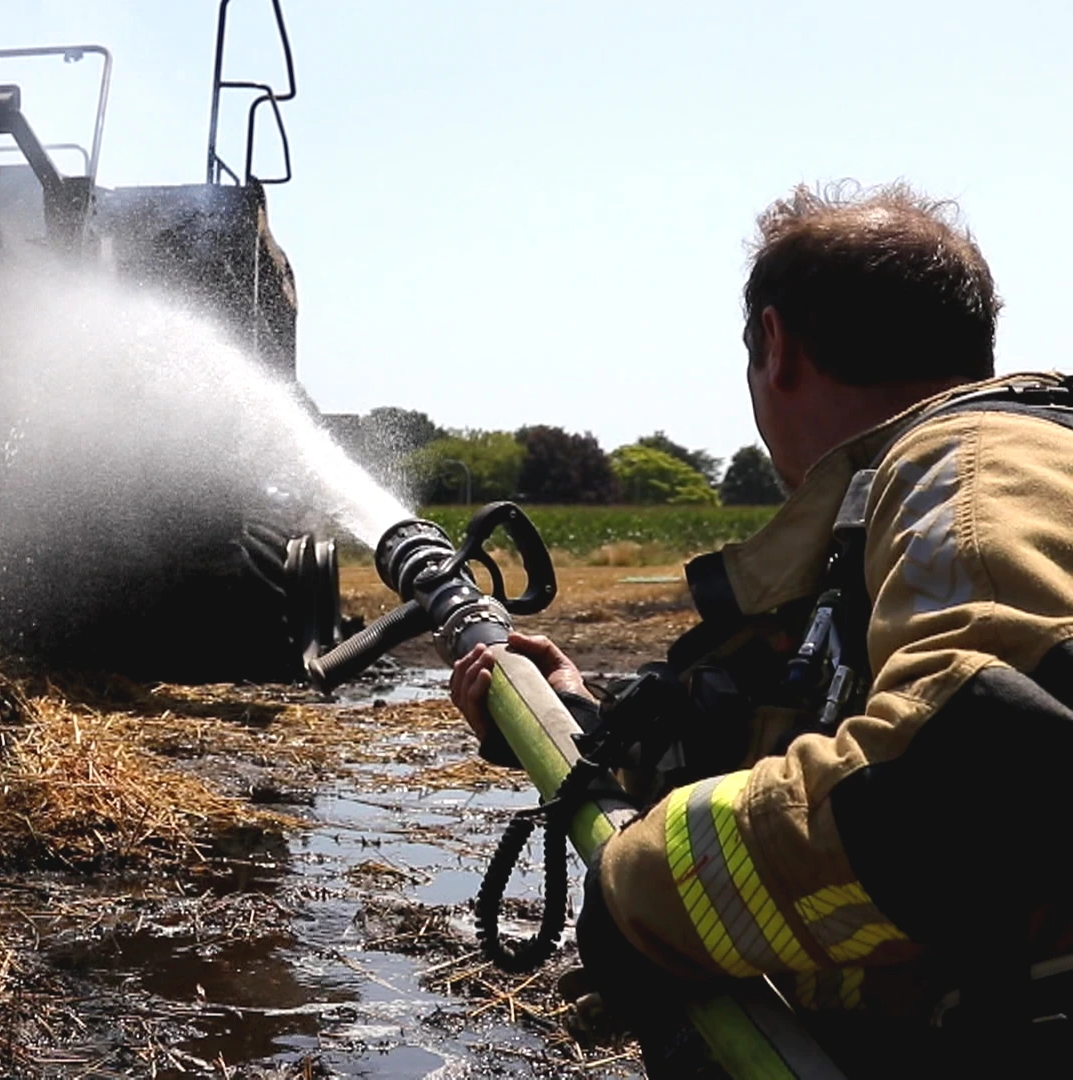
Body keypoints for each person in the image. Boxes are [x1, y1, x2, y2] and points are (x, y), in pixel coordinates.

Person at [451, 182, 1073, 1075]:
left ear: (774, 348)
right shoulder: (919, 504)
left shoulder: (970, 474)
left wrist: (643, 891)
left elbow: (978, 770)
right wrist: (587, 720)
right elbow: (813, 734)